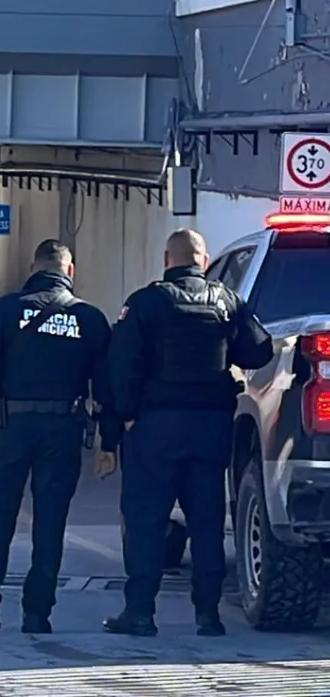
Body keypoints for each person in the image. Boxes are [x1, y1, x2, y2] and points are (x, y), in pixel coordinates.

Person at [103, 228, 274, 638]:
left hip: (155, 428)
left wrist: (122, 417)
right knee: (207, 522)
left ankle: (140, 614)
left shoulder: (145, 303)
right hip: (210, 427)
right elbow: (260, 350)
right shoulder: (226, 302)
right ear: (204, 259)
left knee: (146, 522)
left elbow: (121, 365)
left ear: (167, 260)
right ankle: (208, 616)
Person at [0, 239, 116, 636]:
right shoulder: (90, 319)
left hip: (11, 427)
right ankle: (37, 614)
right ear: (69, 272)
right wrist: (106, 440)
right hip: (63, 429)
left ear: (33, 267)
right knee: (50, 523)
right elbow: (109, 387)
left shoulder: (7, 310)